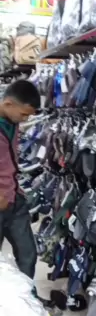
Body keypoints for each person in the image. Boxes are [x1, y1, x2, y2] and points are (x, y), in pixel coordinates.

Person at [0, 79, 40, 280]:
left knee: (28, 255)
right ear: (8, 104)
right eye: (24, 114)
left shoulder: (12, 122)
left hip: (15, 200)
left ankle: (27, 295)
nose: (25, 119)